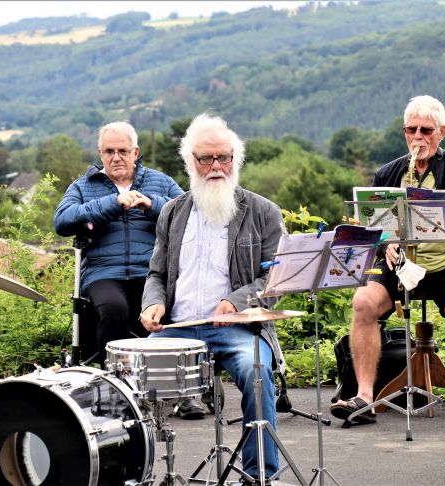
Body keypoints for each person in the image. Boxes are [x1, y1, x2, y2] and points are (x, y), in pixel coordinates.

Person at [330, 95, 445, 432]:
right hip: (399, 266)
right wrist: (386, 243)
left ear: (442, 132)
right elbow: (374, 229)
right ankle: (364, 397)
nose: (418, 137)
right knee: (363, 303)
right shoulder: (389, 172)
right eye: (411, 130)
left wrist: (437, 211)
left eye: (426, 130)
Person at [140, 113, 287, 481]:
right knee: (127, 379)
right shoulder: (172, 213)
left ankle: (260, 476)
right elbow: (156, 273)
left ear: (236, 159)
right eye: (206, 159)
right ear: (191, 162)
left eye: (224, 157)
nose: (216, 166)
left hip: (237, 329)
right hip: (178, 328)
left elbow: (276, 278)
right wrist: (152, 303)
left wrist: (236, 302)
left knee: (256, 372)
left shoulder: (263, 212)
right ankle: (131, 469)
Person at [53, 121, 185, 392]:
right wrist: (111, 204)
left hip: (152, 272)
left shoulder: (161, 182)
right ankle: (113, 386)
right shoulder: (83, 186)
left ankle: (177, 389)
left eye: (123, 151)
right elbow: (62, 221)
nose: (116, 157)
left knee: (173, 306)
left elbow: (189, 215)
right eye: (109, 151)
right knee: (114, 309)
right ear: (100, 154)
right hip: (103, 273)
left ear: (135, 153)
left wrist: (152, 204)